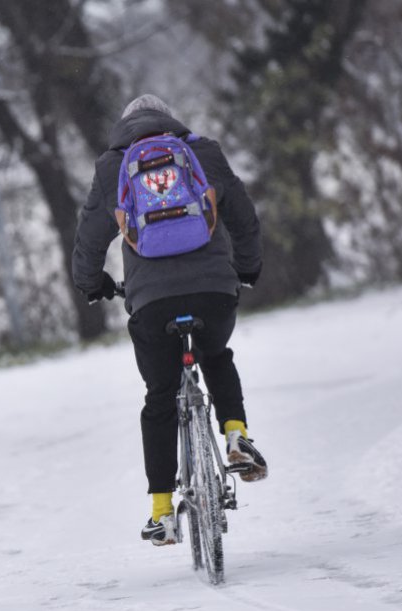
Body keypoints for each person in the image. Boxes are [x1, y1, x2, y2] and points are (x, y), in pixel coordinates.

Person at [72, 94, 267, 546]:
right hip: (213, 290)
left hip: (151, 302)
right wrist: (247, 268)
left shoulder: (113, 167)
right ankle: (236, 435)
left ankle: (161, 511)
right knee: (215, 355)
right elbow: (244, 219)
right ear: (169, 118)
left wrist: (91, 284)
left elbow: (88, 239)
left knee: (160, 396)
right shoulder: (202, 153)